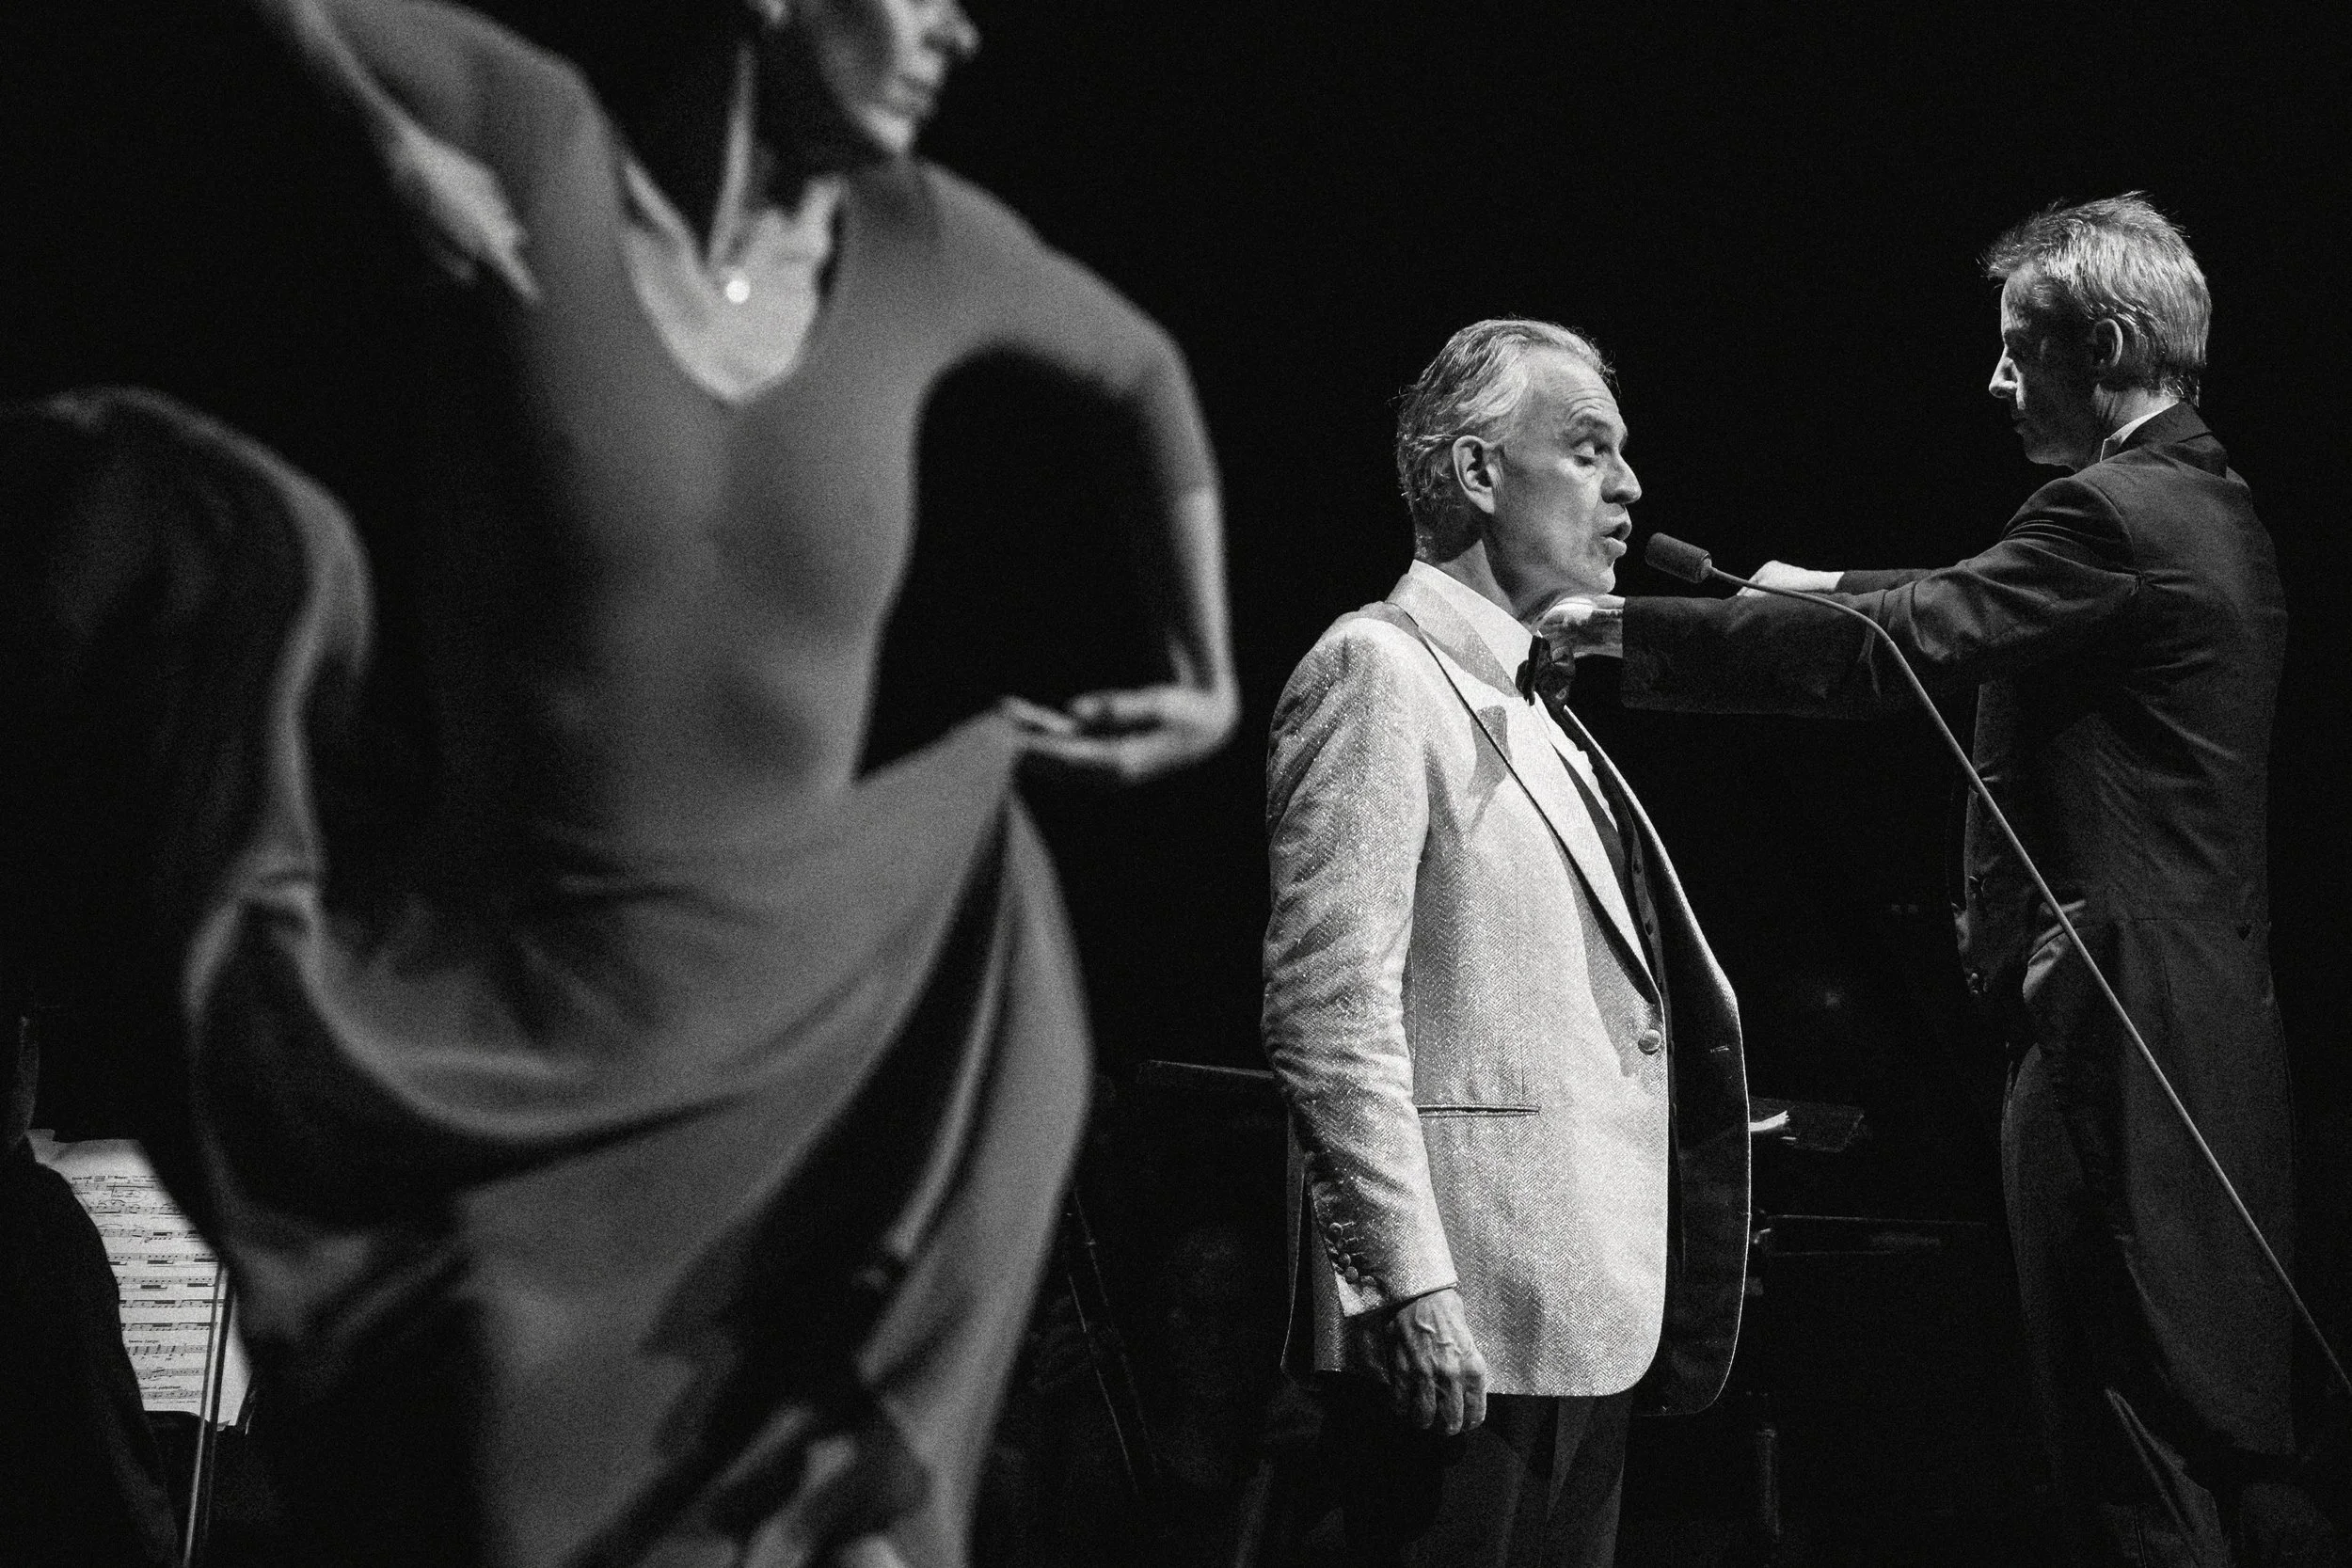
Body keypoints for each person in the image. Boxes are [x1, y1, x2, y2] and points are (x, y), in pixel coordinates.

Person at [2, 1, 1236, 1562]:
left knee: (815, 1519)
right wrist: (386, 144)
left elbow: (1141, 370)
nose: (961, 33)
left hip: (809, 1024)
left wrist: (1204, 676)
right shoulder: (539, 146)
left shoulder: (922, 244)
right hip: (530, 1025)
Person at [1551, 195, 2328, 1564]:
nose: (1995, 380)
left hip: (2120, 1042)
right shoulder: (2202, 504)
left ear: (2106, 340)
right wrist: (1824, 578)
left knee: (2126, 1446)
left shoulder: (2108, 512)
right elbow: (1970, 595)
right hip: (2197, 1030)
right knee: (2188, 1429)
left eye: (2019, 350)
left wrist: (1627, 628)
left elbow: (1910, 641)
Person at [1259, 319, 1750, 1564]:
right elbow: (1329, 1011)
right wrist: (1403, 1285)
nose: (1629, 487)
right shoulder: (1377, 672)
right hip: (1459, 1326)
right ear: (1479, 474)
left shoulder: (1545, 710)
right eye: (1588, 450)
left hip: (1581, 1316)